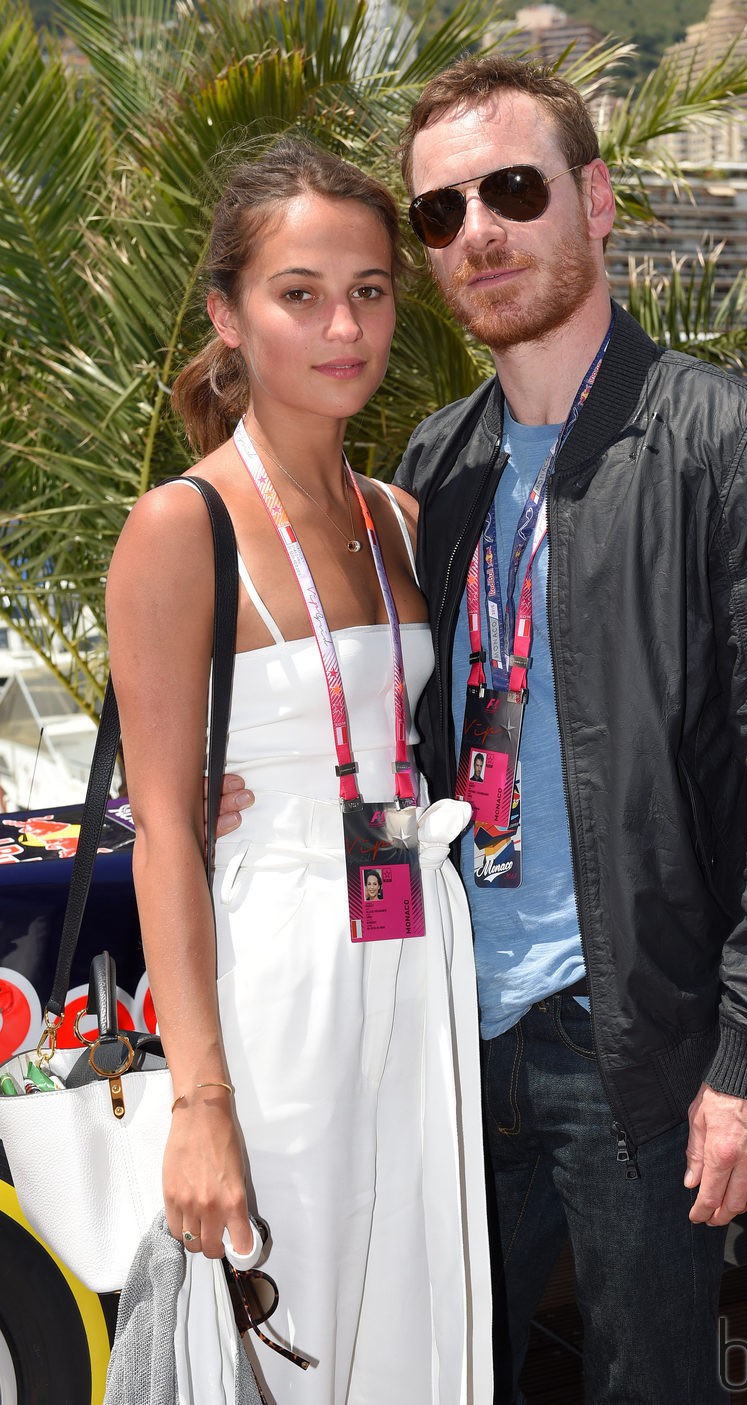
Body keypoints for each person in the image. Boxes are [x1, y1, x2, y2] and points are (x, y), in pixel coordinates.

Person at [219, 59, 747, 1403]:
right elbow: (377, 723)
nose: (480, 234)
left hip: (633, 1042)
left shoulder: (723, 443)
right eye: (443, 214)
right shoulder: (431, 474)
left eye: (512, 190)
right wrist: (241, 785)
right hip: (445, 1036)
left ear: (597, 199)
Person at [106, 137, 492, 1404]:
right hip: (275, 969)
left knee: (411, 1326)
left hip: (414, 948)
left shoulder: (403, 517)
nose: (345, 325)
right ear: (227, 312)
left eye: (371, 289)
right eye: (300, 292)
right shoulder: (181, 524)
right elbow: (164, 826)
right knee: (290, 1332)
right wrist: (198, 1102)